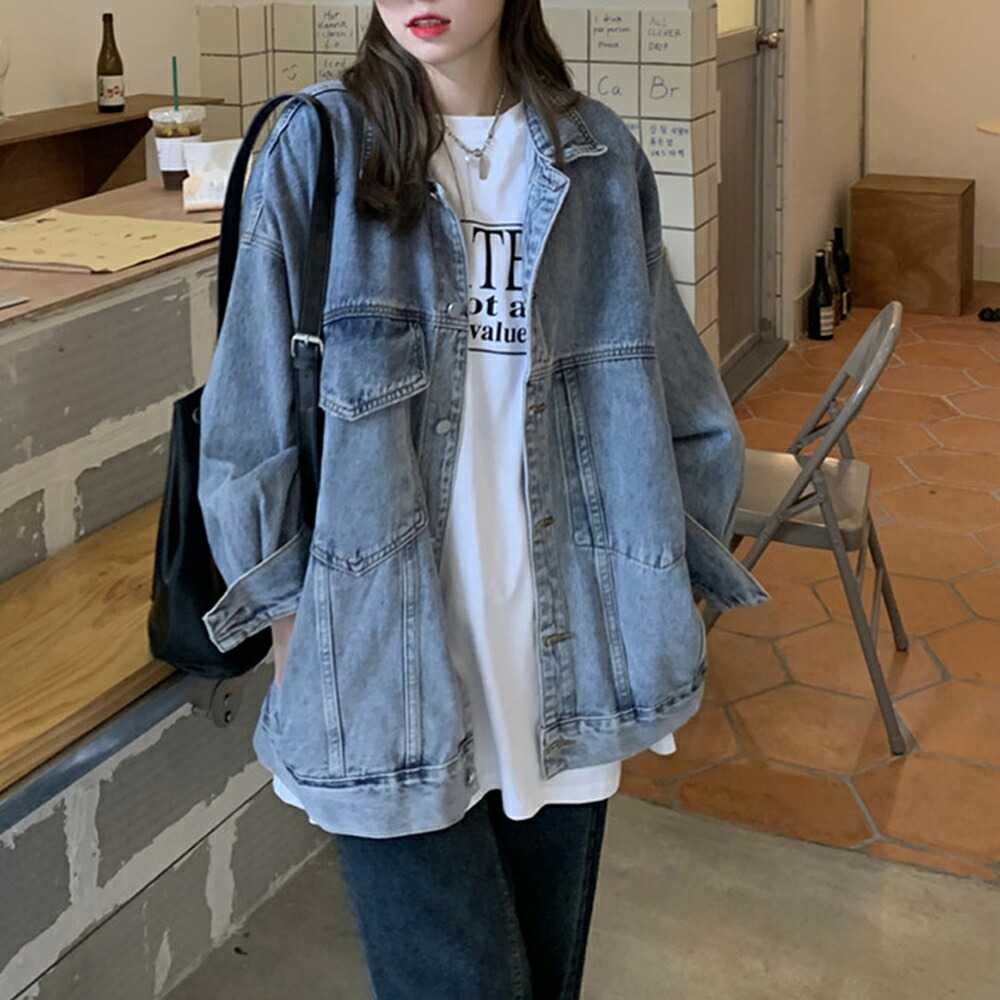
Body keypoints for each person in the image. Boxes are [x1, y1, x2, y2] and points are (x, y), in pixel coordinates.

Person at [197, 1, 766, 997]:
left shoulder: (597, 159)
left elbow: (678, 399)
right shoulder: (316, 151)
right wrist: (290, 618)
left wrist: (668, 577)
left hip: (567, 666)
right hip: (380, 671)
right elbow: (248, 419)